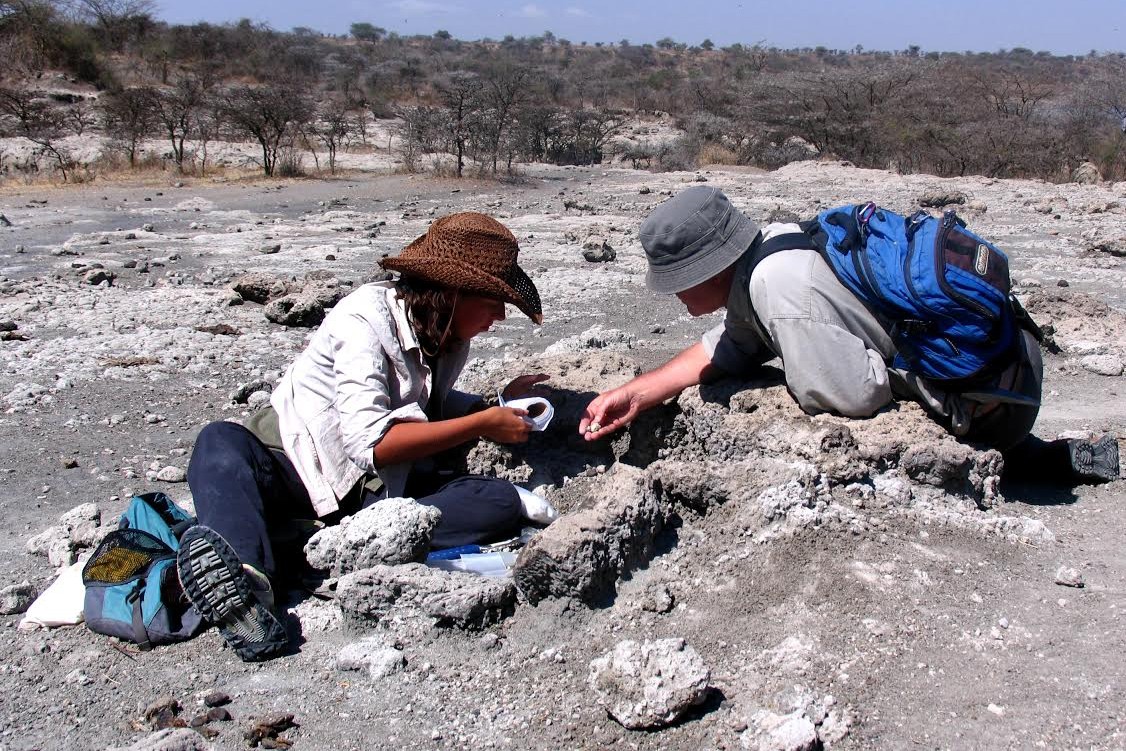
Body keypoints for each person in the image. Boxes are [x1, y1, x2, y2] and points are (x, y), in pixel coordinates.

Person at [178, 212, 548, 661]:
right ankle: (249, 588)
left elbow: (425, 404)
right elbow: (370, 444)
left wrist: (492, 406)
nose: (499, 316)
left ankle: (302, 549)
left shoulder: (447, 334)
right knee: (219, 444)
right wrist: (481, 425)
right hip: (298, 470)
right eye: (492, 300)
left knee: (499, 502)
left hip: (376, 499)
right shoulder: (363, 320)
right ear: (452, 293)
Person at [580, 186, 1119, 484]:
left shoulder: (776, 283)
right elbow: (733, 343)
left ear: (711, 267)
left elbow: (850, 395)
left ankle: (1016, 458)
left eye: (679, 281)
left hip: (990, 406)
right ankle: (1039, 458)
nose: (675, 295)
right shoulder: (771, 245)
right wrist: (638, 392)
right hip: (1011, 372)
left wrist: (794, 375)